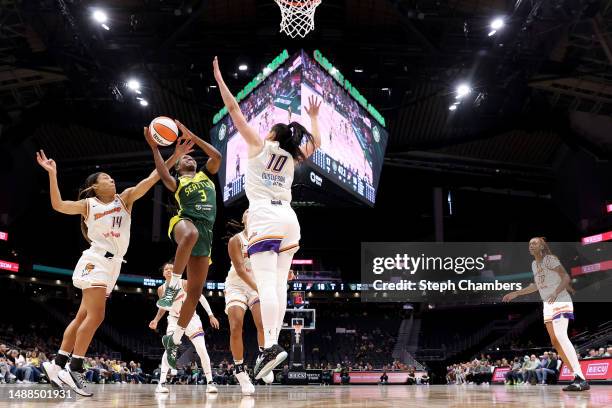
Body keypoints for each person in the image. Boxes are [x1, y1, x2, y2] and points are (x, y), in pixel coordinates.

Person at [37, 133, 184, 397]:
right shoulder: (88, 205)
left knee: (83, 316)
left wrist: (174, 155)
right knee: (96, 316)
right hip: (96, 261)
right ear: (95, 187)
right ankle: (75, 368)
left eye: (111, 177)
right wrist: (52, 173)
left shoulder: (125, 198)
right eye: (105, 178)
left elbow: (153, 177)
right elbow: (58, 205)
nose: (111, 179)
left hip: (113, 265)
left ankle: (57, 364)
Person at [213, 56, 321, 380]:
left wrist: (220, 81)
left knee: (266, 285)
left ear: (272, 133)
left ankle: (270, 346)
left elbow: (234, 112)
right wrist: (314, 118)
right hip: (290, 219)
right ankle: (271, 346)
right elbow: (317, 143)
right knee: (277, 285)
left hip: (264, 216)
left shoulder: (260, 146)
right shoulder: (291, 155)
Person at [145, 121, 222, 369]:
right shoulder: (177, 183)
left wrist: (193, 137)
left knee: (196, 293)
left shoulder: (206, 175)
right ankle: (172, 288)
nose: (188, 158)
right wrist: (155, 149)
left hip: (205, 234)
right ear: (178, 169)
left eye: (190, 157)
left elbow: (217, 155)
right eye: (182, 160)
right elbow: (160, 174)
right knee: (189, 235)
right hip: (183, 222)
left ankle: (174, 339)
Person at [503, 237, 589, 391]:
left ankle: (581, 378)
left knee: (562, 336)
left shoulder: (549, 259)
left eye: (534, 243)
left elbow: (566, 277)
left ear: (542, 246)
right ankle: (577, 376)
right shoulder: (534, 264)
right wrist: (517, 293)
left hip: (560, 299)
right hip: (547, 304)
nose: (531, 245)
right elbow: (536, 286)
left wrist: (556, 292)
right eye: (529, 243)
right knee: (555, 342)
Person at [149, 262, 220, 394]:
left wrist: (211, 315)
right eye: (166, 269)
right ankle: (161, 383)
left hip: (191, 318)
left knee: (201, 349)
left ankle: (210, 383)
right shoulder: (161, 289)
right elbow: (163, 307)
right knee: (169, 348)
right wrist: (156, 320)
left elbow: (200, 297)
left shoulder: (184, 283)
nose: (169, 270)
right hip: (174, 319)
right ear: (163, 273)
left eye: (172, 268)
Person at [224, 210, 274, 394]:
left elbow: (271, 264)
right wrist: (261, 288)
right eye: (246, 211)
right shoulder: (235, 240)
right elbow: (240, 270)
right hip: (237, 285)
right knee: (236, 325)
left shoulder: (264, 238)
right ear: (243, 219)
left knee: (262, 322)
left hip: (256, 285)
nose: (250, 212)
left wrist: (285, 274)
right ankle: (240, 371)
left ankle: (264, 361)